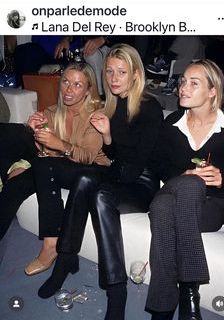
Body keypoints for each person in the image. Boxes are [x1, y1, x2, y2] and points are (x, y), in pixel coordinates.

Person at [35, 43, 164, 320]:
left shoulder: (150, 108)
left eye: (121, 72)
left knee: (101, 194)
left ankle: (116, 288)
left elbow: (133, 167)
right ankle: (66, 257)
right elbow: (113, 159)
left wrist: (108, 141)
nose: (114, 78)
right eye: (109, 72)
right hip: (119, 172)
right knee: (84, 177)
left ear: (135, 75)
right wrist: (107, 137)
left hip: (142, 183)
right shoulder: (110, 105)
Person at [145, 59, 224, 320]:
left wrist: (223, 179)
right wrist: (182, 175)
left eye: (193, 83)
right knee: (187, 183)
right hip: (171, 190)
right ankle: (189, 293)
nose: (182, 87)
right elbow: (156, 164)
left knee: (162, 208)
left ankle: (162, 308)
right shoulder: (172, 123)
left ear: (212, 92)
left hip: (210, 207)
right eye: (183, 81)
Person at [0, 62, 110, 246]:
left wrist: (57, 144)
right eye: (66, 81)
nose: (68, 89)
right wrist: (37, 133)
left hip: (89, 172)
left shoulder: (96, 116)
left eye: (77, 85)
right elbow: (46, 152)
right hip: (54, 166)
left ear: (88, 90)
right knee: (14, 187)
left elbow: (88, 157)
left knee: (18, 136)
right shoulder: (52, 111)